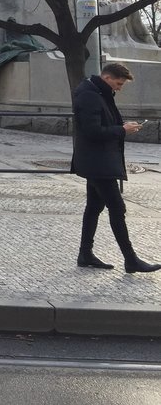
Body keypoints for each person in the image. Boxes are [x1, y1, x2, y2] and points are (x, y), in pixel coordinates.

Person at [71, 62, 160, 274]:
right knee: (117, 208)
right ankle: (131, 260)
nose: (119, 88)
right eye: (118, 83)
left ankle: (85, 254)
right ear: (107, 78)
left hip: (98, 161)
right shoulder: (90, 95)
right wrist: (122, 129)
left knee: (94, 207)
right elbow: (92, 131)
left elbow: (101, 124)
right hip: (98, 162)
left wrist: (122, 127)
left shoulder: (98, 91)